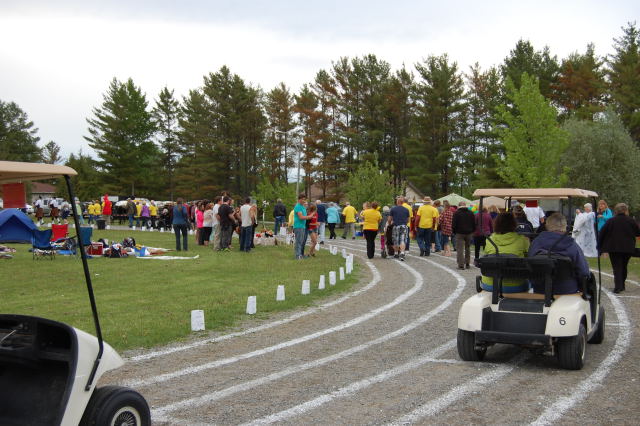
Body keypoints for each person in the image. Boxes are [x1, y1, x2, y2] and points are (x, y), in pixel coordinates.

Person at [528, 213, 590, 295]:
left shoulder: (536, 243)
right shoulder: (572, 245)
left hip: (541, 289)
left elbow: (530, 266)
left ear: (547, 226)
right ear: (565, 227)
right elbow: (584, 272)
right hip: (567, 290)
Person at [480, 212, 531, 293]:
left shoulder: (489, 240)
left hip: (490, 284)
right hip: (516, 285)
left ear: (496, 224)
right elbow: (529, 257)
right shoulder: (523, 240)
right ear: (514, 224)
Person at [598, 203, 640, 293]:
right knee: (624, 266)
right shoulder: (631, 221)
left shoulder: (611, 221)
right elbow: (637, 232)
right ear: (626, 211)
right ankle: (622, 285)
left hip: (614, 247)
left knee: (617, 267)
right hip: (628, 248)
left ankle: (618, 287)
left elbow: (602, 233)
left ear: (616, 211)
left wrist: (599, 247)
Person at [452, 201, 476, 269]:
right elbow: (474, 223)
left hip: (459, 233)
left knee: (460, 249)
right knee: (468, 248)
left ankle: (461, 265)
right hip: (469, 233)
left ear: (459, 206)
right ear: (465, 205)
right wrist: (472, 231)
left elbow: (454, 224)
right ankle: (467, 263)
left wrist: (454, 232)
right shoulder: (471, 212)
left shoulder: (456, 213)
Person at [388, 197, 410, 261]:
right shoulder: (406, 210)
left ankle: (396, 253)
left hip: (396, 226)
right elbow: (408, 220)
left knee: (395, 240)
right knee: (403, 240)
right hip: (404, 226)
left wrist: (389, 224)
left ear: (397, 202)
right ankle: (402, 253)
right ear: (402, 202)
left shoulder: (393, 209)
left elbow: (389, 219)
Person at [293, 194, 312, 259]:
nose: (304, 201)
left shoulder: (303, 207)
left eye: (305, 199)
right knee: (298, 241)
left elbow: (304, 216)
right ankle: (297, 255)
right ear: (299, 199)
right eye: (302, 199)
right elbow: (301, 217)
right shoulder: (298, 206)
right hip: (298, 226)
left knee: (301, 241)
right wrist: (309, 217)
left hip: (303, 226)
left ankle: (300, 254)